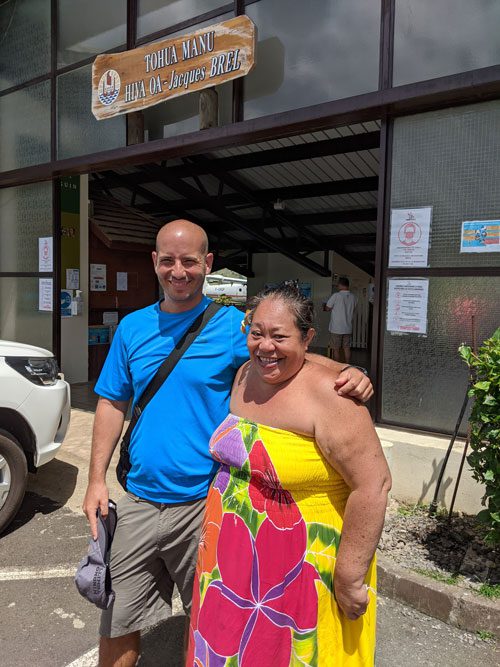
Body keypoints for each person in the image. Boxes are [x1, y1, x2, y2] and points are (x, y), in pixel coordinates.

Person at [82, 219, 373, 667]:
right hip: (139, 499)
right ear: (155, 262)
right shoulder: (132, 329)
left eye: (190, 261)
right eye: (169, 261)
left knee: (205, 621)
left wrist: (347, 373)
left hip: (208, 505)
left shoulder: (233, 328)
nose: (179, 271)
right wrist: (96, 480)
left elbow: (281, 347)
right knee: (117, 619)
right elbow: (112, 404)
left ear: (208, 264)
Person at [187, 283, 390, 666]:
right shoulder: (246, 373)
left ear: (308, 338)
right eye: (257, 333)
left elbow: (373, 486)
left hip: (300, 566)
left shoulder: (333, 397)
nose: (266, 346)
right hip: (230, 557)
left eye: (280, 336)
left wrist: (349, 575)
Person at [325, 277, 357, 363]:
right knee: (346, 347)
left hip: (336, 328)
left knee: (336, 349)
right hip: (348, 327)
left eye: (338, 284)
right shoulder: (353, 297)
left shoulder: (336, 295)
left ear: (340, 284)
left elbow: (327, 308)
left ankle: (337, 368)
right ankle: (347, 365)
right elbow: (353, 310)